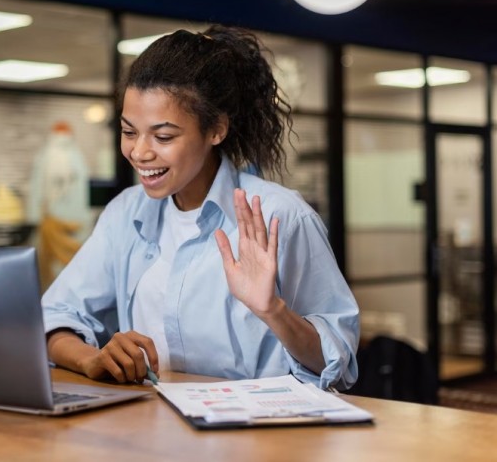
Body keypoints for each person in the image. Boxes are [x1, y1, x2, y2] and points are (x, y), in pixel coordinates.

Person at [41, 25, 359, 390]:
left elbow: (339, 360)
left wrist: (274, 311)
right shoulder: (125, 214)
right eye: (129, 132)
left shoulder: (280, 216)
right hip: (151, 428)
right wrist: (92, 358)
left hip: (260, 437)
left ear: (216, 130)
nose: (140, 152)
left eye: (163, 136)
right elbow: (55, 316)